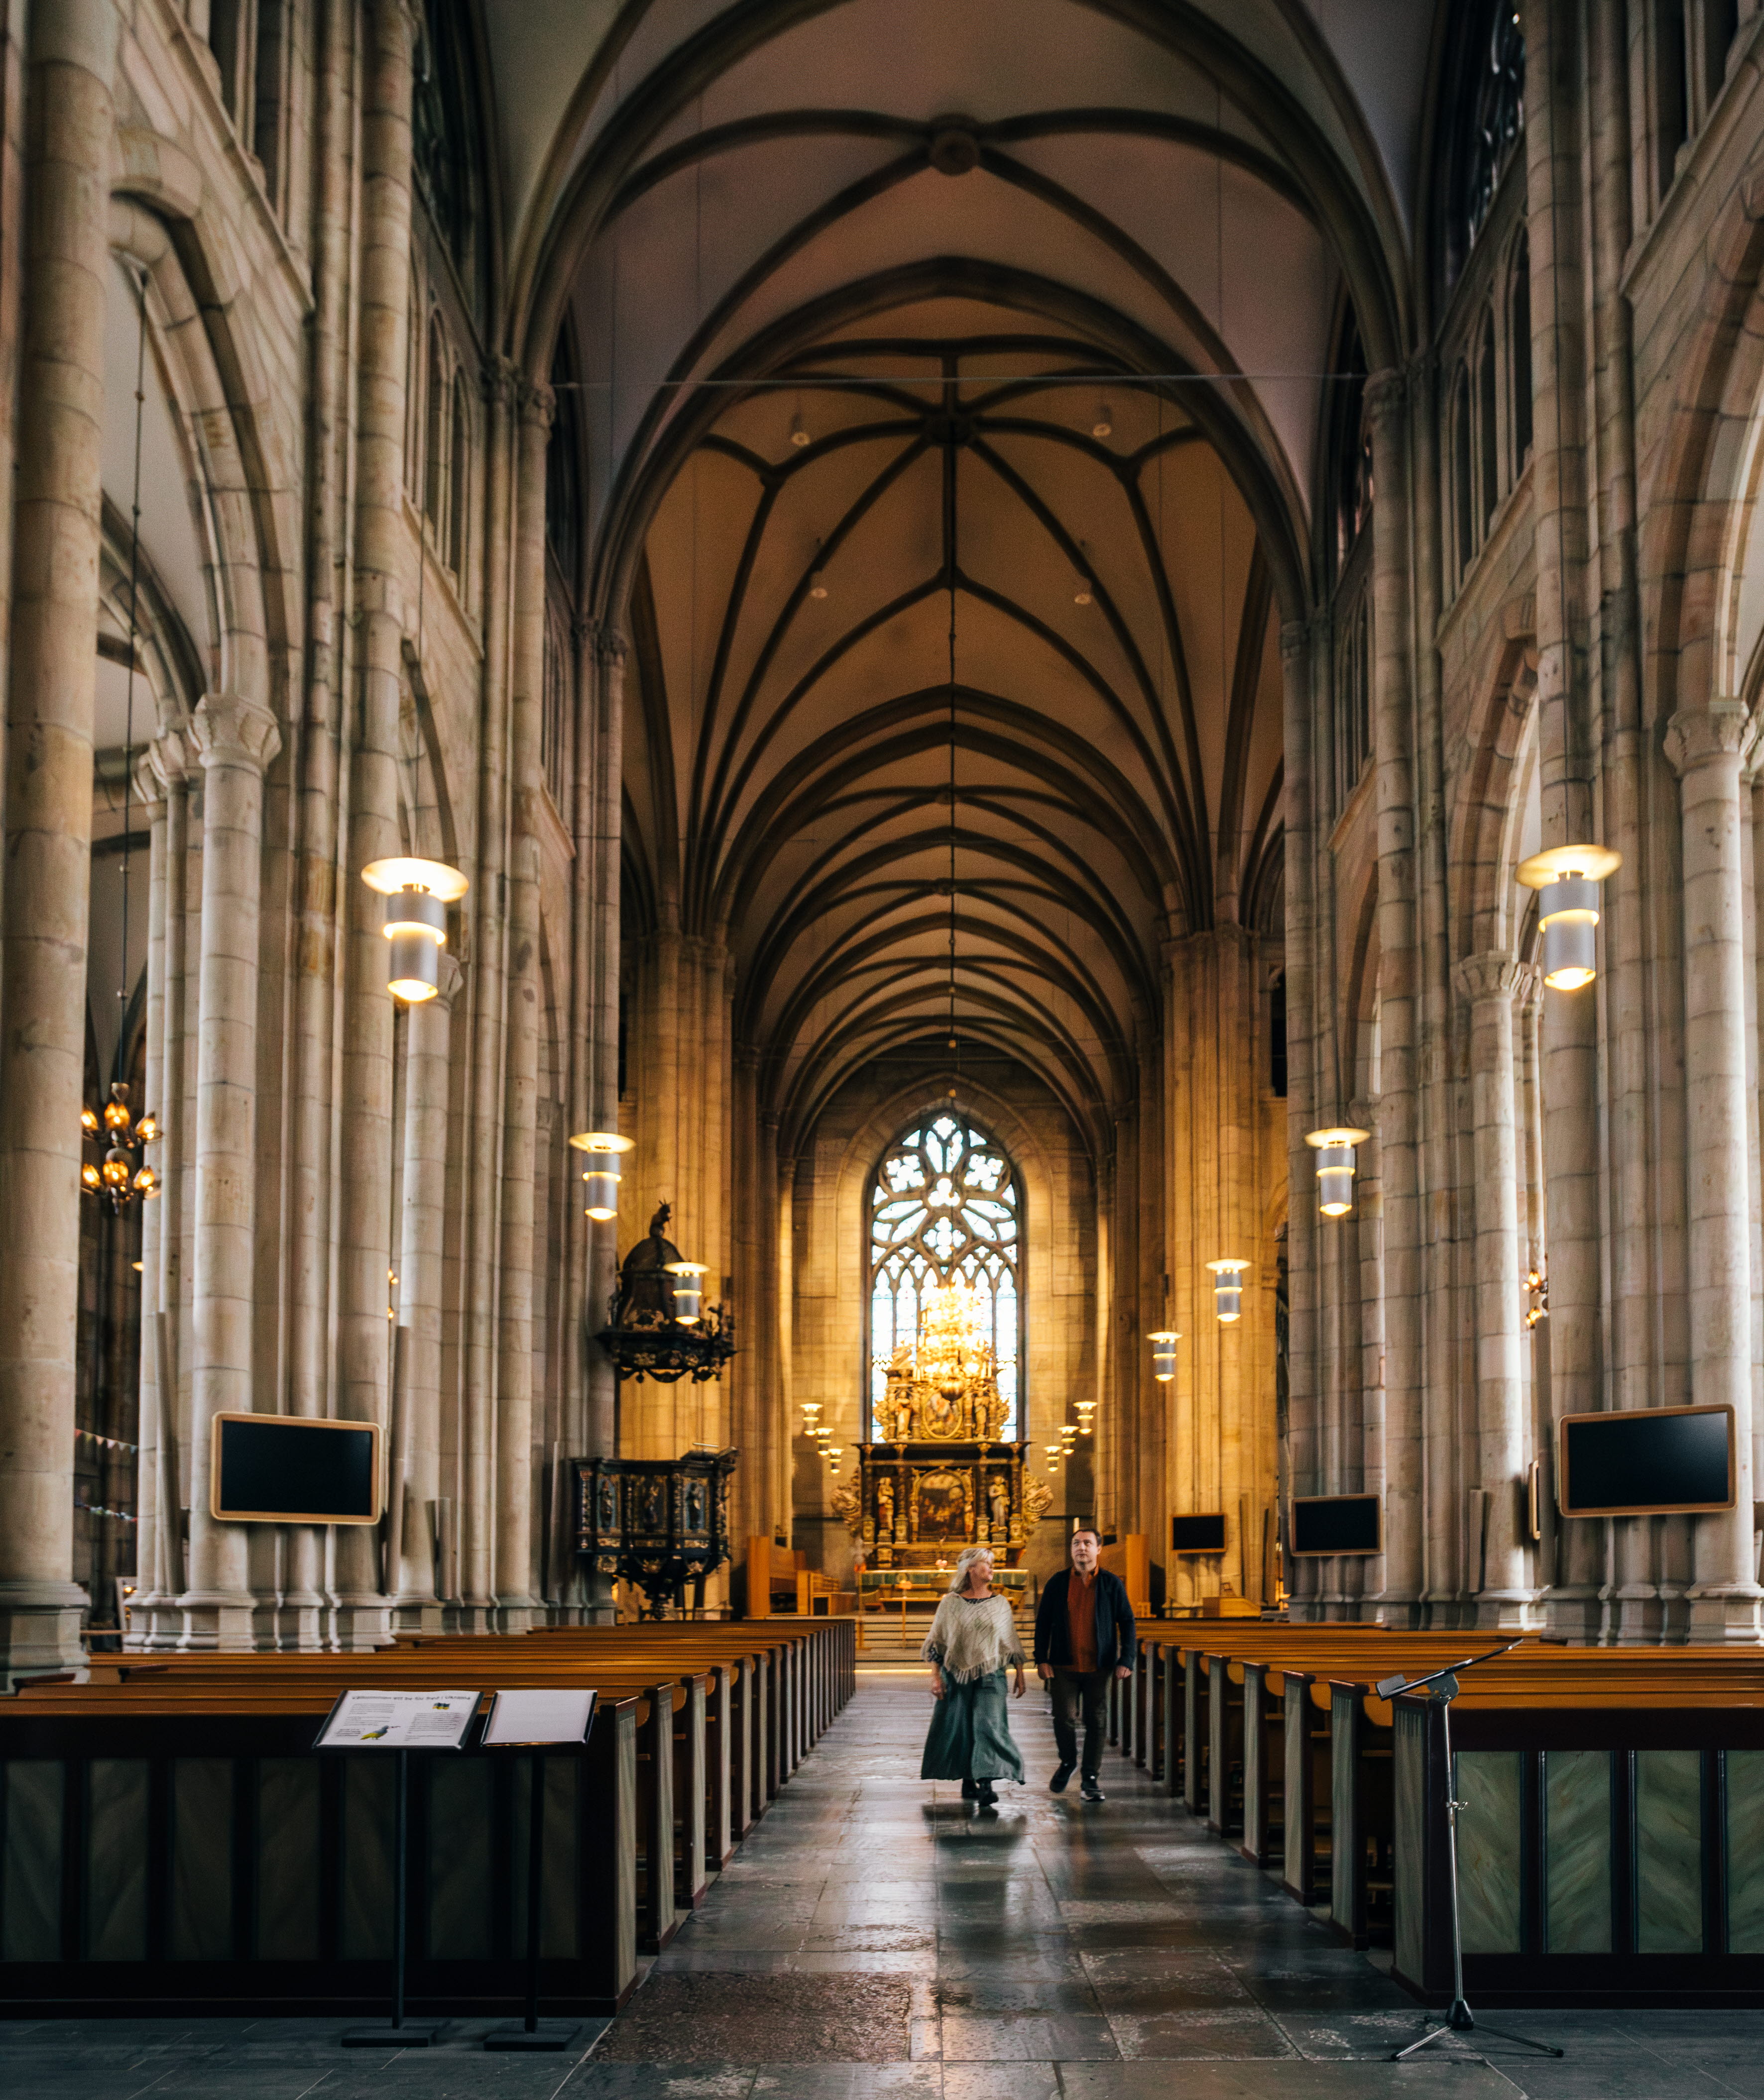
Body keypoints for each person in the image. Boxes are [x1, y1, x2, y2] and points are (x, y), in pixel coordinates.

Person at [1033, 1525, 1135, 1801]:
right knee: (1064, 1718)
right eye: (1076, 1543)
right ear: (1071, 1550)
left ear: (1099, 1549)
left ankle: (1090, 1777)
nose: (1081, 1548)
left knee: (1096, 1720)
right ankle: (1068, 1762)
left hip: (1099, 1666)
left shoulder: (1112, 1583)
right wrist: (1041, 1658)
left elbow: (1127, 1622)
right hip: (1064, 1665)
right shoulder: (1057, 1582)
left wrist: (1126, 1659)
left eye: (1087, 1543)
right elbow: (1043, 1623)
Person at [919, 1545, 1027, 1806]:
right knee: (962, 1727)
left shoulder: (1000, 1603)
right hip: (955, 1675)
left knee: (989, 1726)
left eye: (992, 1564)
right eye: (986, 1563)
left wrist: (1020, 1674)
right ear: (970, 1569)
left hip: (992, 1675)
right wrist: (936, 1677)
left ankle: (986, 1783)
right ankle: (968, 1780)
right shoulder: (951, 1603)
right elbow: (937, 1643)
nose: (992, 1568)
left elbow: (1010, 1641)